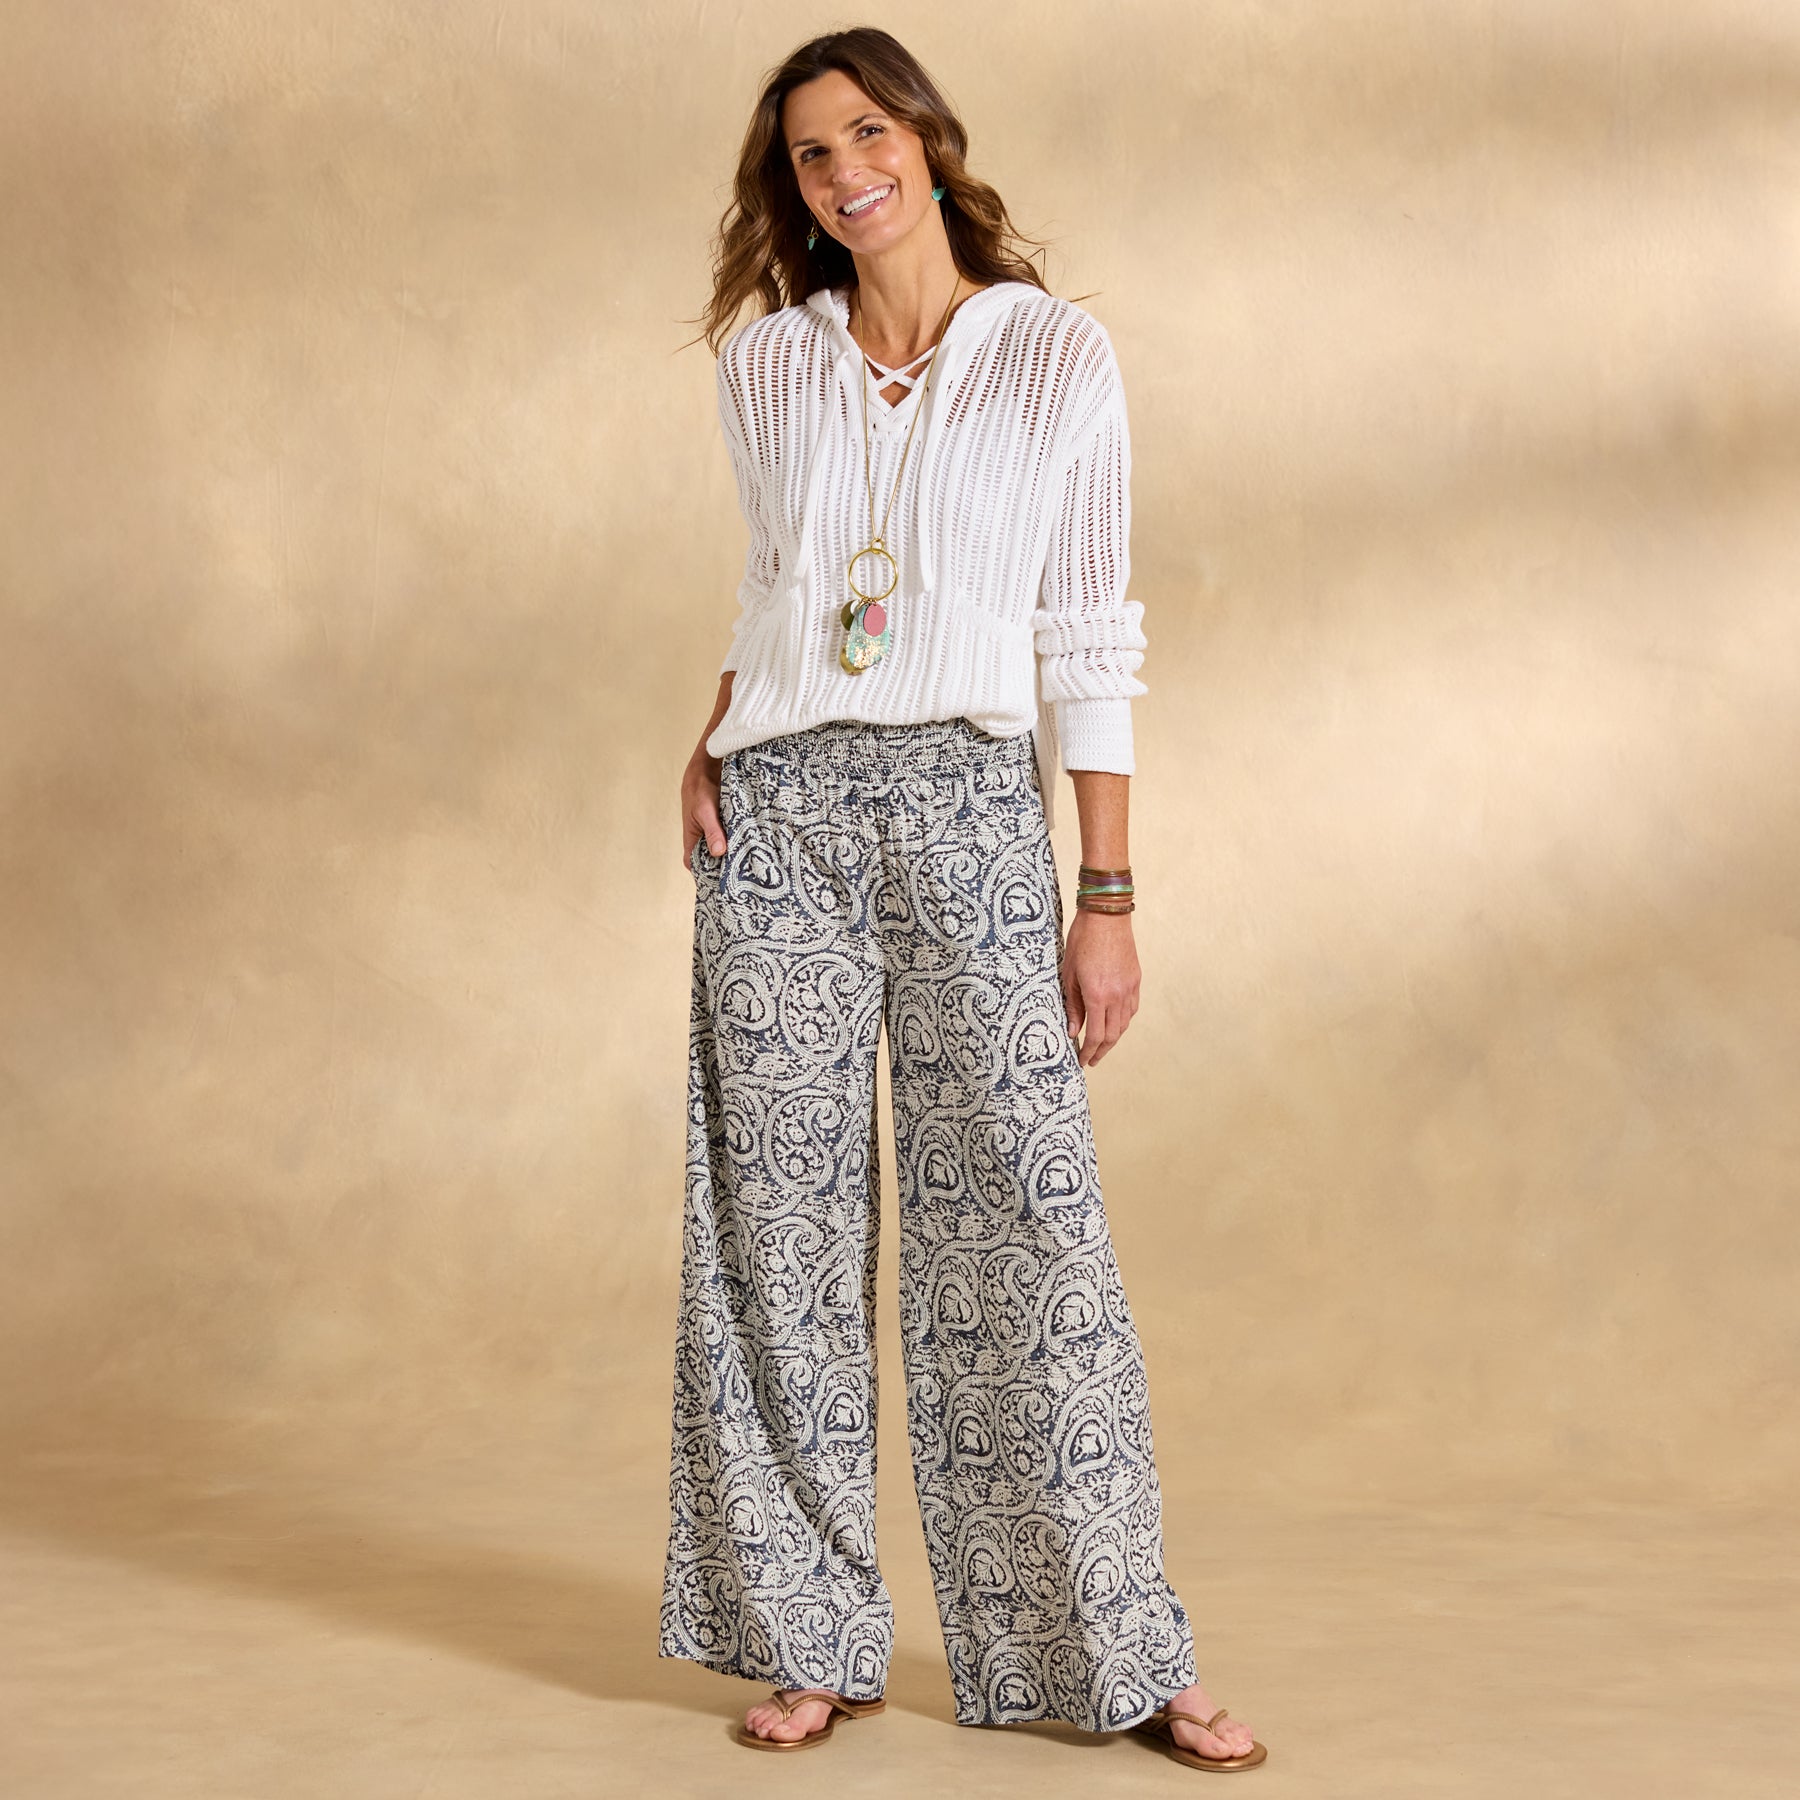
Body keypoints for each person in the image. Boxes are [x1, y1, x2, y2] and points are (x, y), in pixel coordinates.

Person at [661, 27, 1268, 1774]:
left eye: (868, 131)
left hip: (968, 807)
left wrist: (1107, 892)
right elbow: (780, 586)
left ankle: (1114, 1647)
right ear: (791, 189)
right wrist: (712, 732)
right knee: (774, 1235)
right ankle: (810, 1638)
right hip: (777, 811)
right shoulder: (767, 366)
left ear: (925, 139)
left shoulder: (1053, 355)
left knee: (1025, 1220)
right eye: (810, 153)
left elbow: (1088, 631)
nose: (845, 171)